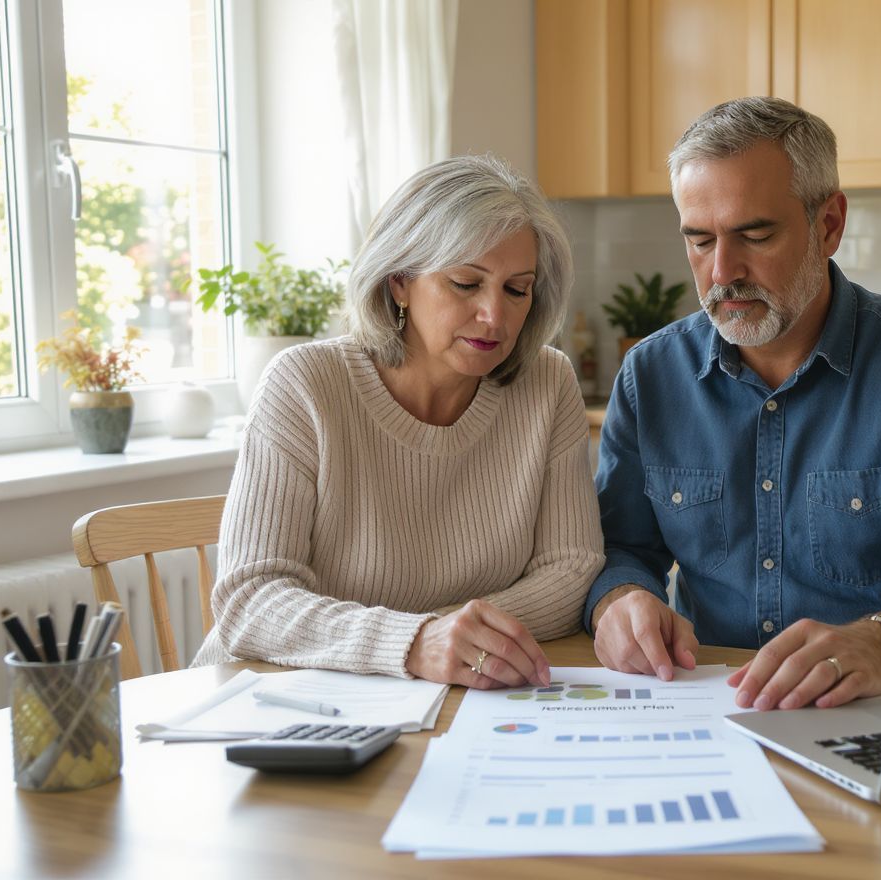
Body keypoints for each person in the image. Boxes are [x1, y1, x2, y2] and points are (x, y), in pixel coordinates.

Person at [585, 97, 881, 712]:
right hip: (708, 705)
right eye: (699, 240)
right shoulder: (651, 375)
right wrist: (620, 600)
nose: (722, 271)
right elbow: (622, 549)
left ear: (829, 224)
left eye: (755, 234)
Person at [193, 155, 605, 689]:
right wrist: (414, 643)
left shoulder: (547, 384)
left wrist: (448, 640)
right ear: (399, 282)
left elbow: (571, 572)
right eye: (464, 283)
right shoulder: (304, 383)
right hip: (267, 701)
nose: (494, 316)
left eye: (516, 289)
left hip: (441, 697)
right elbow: (250, 600)